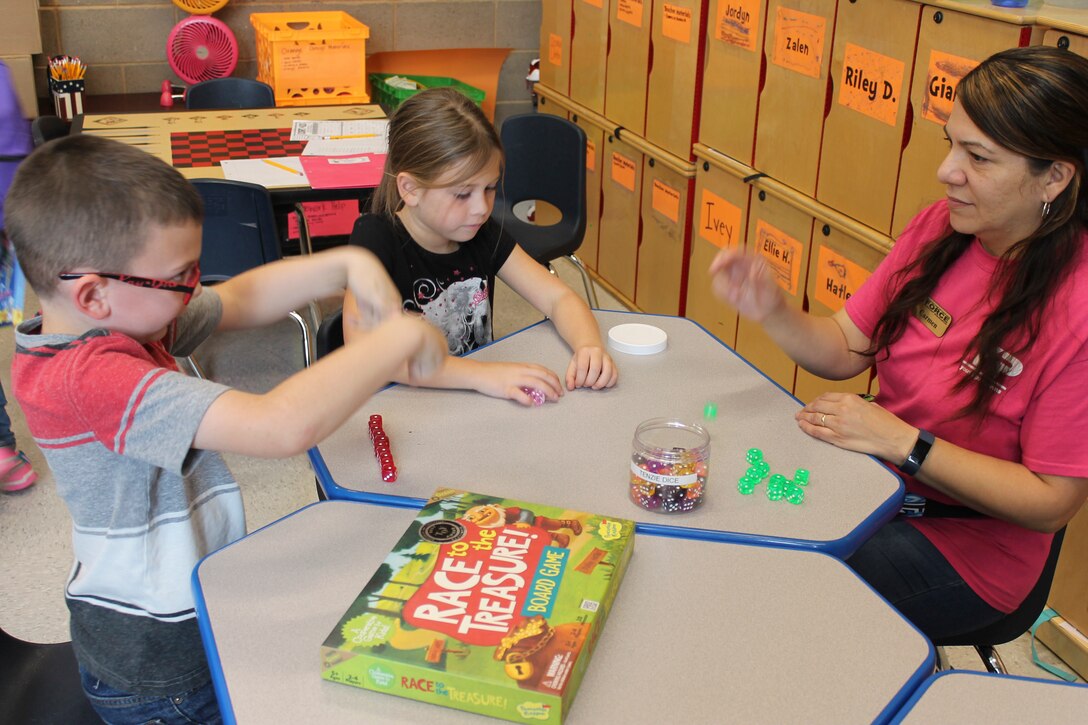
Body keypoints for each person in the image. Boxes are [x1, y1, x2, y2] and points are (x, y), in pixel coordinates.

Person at [4, 134, 447, 724]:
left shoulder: (120, 322)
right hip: (161, 669)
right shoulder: (89, 377)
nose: (194, 287)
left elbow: (237, 297)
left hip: (184, 615)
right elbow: (279, 426)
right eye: (180, 276)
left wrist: (348, 262)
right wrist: (394, 342)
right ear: (92, 292)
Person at [708, 46, 1088, 641]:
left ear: (1056, 176)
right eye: (951, 142)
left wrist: (904, 443)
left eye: (978, 157)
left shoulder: (1078, 308)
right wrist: (774, 309)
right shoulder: (943, 226)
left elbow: (1051, 502)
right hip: (875, 484)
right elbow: (841, 347)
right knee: (723, 524)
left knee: (766, 596)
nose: (947, 171)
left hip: (966, 551)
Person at [343, 87, 618, 406]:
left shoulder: (480, 232)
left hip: (473, 403)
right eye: (462, 194)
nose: (481, 208)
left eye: (489, 188)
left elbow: (558, 298)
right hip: (403, 408)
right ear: (411, 189)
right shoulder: (375, 240)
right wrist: (482, 375)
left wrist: (589, 347)